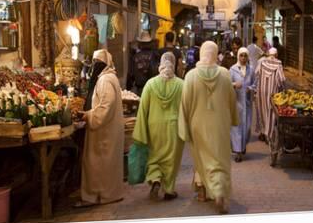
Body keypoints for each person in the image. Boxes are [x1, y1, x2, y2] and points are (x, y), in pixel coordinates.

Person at [178, 41, 238, 214]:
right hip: (220, 123)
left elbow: (185, 103)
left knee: (201, 158)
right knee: (219, 159)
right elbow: (231, 100)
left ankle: (203, 191)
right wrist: (233, 118)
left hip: (198, 124)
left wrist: (185, 125)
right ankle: (219, 192)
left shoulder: (191, 76)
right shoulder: (225, 74)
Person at [75, 49, 124, 207]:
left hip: (104, 133)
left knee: (97, 164)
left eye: (97, 63)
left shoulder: (105, 80)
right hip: (108, 131)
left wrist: (89, 116)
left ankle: (97, 196)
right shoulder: (109, 78)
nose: (94, 66)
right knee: (104, 164)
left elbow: (105, 107)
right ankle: (106, 194)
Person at [132, 52, 185, 200]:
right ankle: (169, 190)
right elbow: (186, 108)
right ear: (173, 65)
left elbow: (143, 109)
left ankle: (155, 179)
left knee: (155, 156)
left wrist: (140, 131)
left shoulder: (150, 84)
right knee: (171, 159)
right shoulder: (181, 84)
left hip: (154, 126)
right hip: (174, 127)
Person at [254, 47, 286, 163]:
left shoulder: (262, 63)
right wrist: (284, 91)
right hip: (273, 97)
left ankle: (265, 133)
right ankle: (271, 138)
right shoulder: (278, 64)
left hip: (261, 95)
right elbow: (281, 79)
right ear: (276, 54)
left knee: (263, 114)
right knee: (272, 118)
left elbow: (256, 74)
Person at [230, 47, 256, 163]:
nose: (243, 58)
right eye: (241, 55)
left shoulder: (251, 70)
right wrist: (234, 85)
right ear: (238, 56)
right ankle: (238, 152)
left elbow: (255, 85)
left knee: (247, 127)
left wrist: (249, 89)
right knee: (237, 127)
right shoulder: (232, 70)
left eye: (245, 56)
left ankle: (243, 146)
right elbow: (227, 84)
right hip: (237, 103)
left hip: (247, 103)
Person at [126, 30, 159, 96]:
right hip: (153, 87)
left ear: (140, 43)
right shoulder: (155, 55)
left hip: (140, 89)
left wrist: (128, 89)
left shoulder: (135, 57)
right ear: (150, 43)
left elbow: (130, 74)